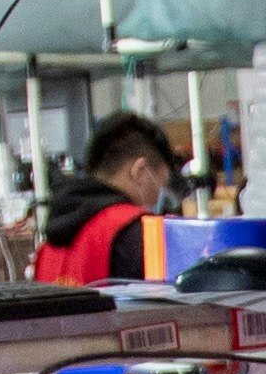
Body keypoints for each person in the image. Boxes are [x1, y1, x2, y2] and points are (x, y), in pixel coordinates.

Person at [40, 115, 180, 284]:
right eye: (160, 185)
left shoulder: (51, 239)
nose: (159, 196)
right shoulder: (138, 231)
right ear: (140, 171)